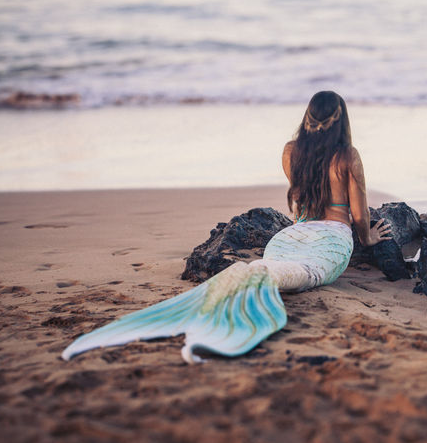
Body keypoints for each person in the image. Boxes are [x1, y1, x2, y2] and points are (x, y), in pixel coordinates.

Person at [61, 91, 391, 364]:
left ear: (307, 118)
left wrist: (305, 226)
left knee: (264, 269)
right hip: (329, 242)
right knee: (281, 275)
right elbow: (359, 216)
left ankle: (216, 299)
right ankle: (223, 324)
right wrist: (368, 238)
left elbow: (301, 205)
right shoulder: (349, 156)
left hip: (289, 238)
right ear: (341, 120)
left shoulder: (292, 151)